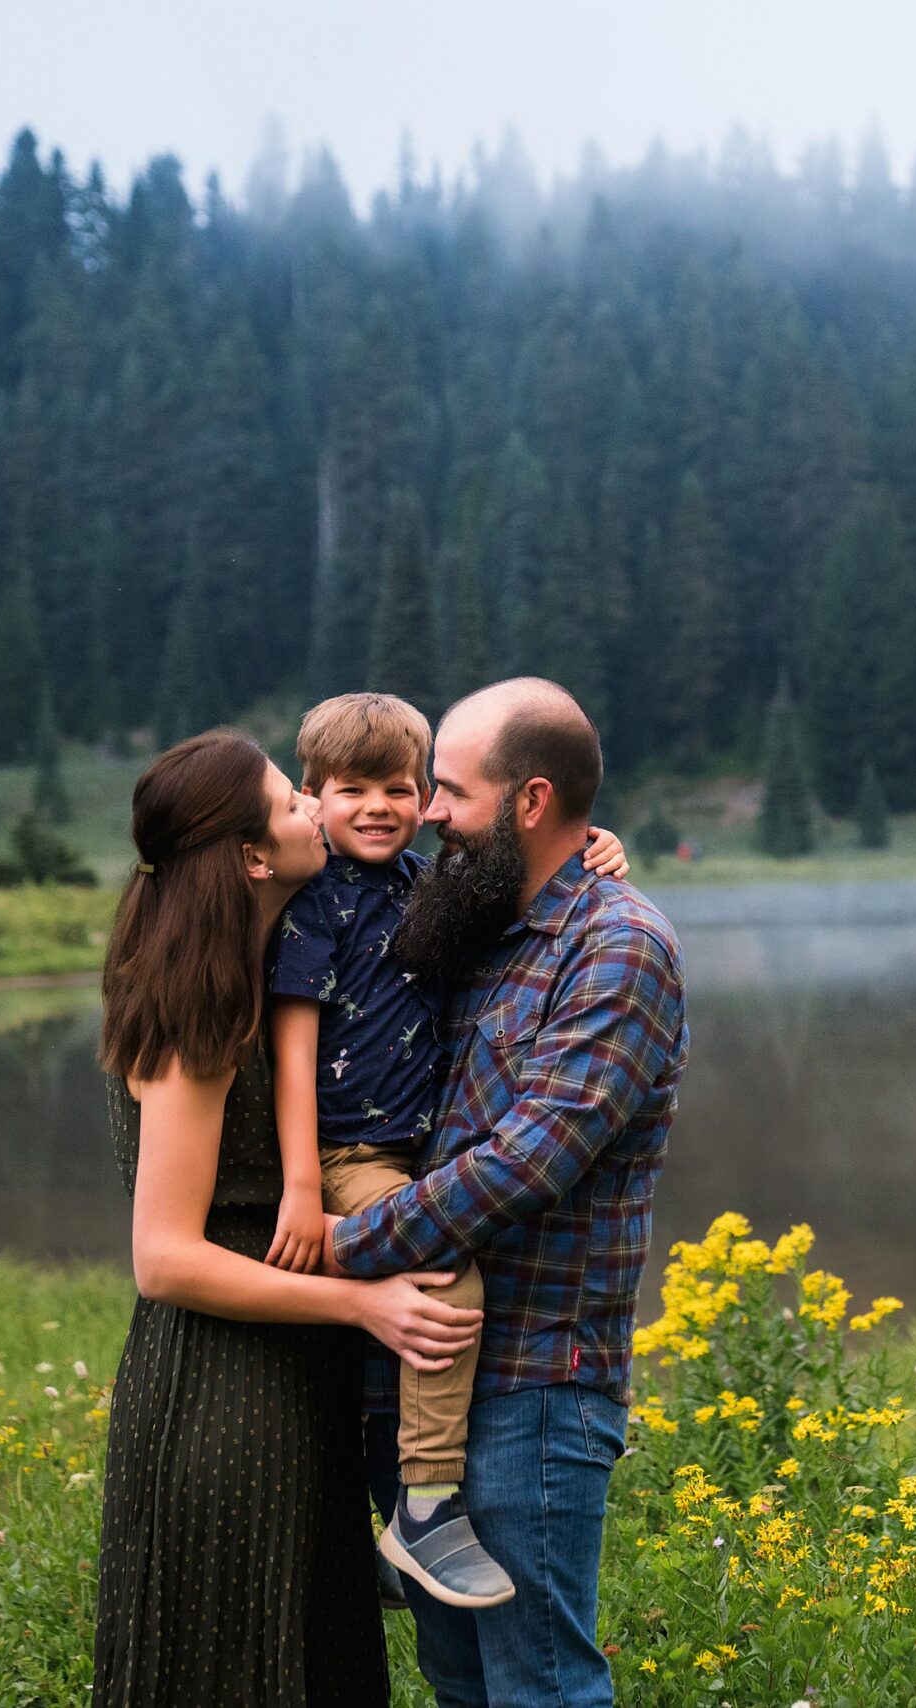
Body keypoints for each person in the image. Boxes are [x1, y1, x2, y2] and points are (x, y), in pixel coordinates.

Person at [90, 729, 484, 1708]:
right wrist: (362, 1307)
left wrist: (586, 847)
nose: (318, 807)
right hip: (222, 1396)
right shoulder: (195, 1006)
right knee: (242, 1670)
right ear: (254, 857)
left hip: (289, 1381)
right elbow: (165, 1259)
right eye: (293, 800)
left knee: (316, 1663)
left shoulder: (266, 954)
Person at [328, 679, 687, 1708]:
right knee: (459, 1683)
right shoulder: (471, 917)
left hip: (533, 1380)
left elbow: (525, 1163)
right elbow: (321, 854)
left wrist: (335, 1245)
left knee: (538, 1687)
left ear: (529, 802)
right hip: (421, 1372)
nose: (428, 810)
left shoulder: (618, 945)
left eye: (448, 789)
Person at [262, 691, 626, 1608]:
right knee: (445, 1280)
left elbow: (522, 864)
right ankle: (424, 1504)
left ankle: (402, 1523)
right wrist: (304, 1188)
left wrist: (594, 844)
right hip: (349, 1152)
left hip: (415, 1170)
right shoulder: (313, 904)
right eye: (353, 790)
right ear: (312, 799)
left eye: (412, 787)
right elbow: (291, 1050)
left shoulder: (426, 884)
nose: (396, 808)